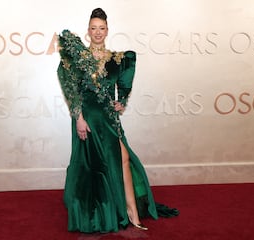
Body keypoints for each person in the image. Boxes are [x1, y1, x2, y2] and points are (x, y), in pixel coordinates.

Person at [57, 8, 178, 233]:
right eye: (93, 28)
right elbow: (71, 89)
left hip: (109, 119)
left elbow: (122, 86)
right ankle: (101, 211)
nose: (97, 32)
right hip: (88, 120)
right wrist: (78, 118)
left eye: (101, 28)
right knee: (97, 165)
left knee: (122, 159)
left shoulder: (117, 59)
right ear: (88, 31)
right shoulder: (78, 57)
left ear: (107, 30)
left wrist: (121, 101)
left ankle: (130, 210)